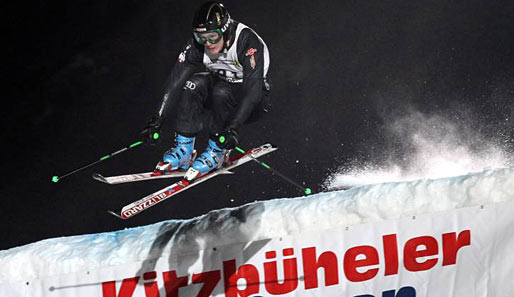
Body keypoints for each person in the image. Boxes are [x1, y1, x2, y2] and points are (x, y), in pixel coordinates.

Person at [140, 1, 271, 178]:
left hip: (253, 101)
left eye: (213, 36)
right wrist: (157, 119)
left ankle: (217, 152)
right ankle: (184, 150)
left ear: (225, 30)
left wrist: (233, 127)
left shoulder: (247, 42)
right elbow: (175, 81)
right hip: (222, 94)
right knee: (194, 83)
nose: (208, 43)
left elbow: (253, 92)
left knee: (221, 91)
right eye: (201, 37)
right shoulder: (197, 46)